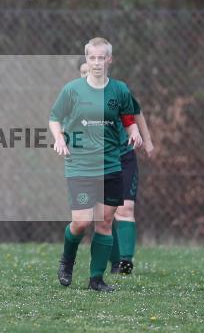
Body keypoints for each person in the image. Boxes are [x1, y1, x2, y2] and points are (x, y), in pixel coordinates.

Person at [51, 38, 141, 291]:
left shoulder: (120, 90)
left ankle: (96, 279)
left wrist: (134, 131)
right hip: (79, 165)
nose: (97, 62)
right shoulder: (72, 90)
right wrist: (59, 138)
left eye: (102, 58)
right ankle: (67, 261)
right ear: (87, 59)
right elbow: (55, 117)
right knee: (81, 222)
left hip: (111, 165)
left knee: (104, 222)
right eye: (93, 58)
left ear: (109, 60)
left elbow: (127, 118)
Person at [79, 62, 155, 275]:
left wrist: (146, 140)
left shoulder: (117, 92)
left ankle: (125, 262)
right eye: (84, 73)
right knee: (104, 214)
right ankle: (113, 262)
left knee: (126, 209)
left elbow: (136, 113)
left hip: (122, 157)